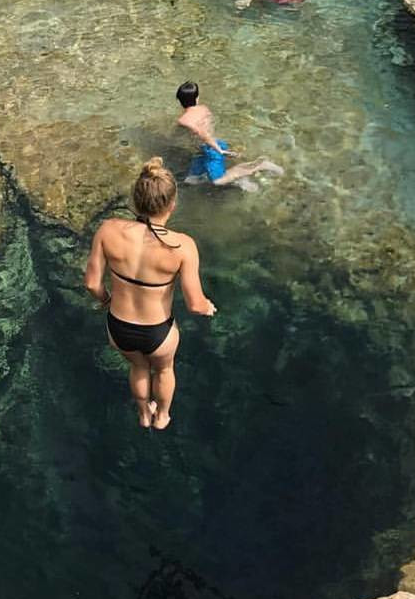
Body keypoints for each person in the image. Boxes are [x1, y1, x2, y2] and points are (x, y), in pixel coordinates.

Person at [83, 157, 216, 430]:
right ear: (172, 204)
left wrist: (106, 300)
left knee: (138, 366)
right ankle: (162, 416)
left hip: (118, 326)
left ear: (136, 201)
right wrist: (207, 307)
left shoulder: (108, 230)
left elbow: (92, 284)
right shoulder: (182, 246)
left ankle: (144, 413)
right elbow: (194, 304)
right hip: (158, 332)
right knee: (164, 370)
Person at [176, 81, 284, 189]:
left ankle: (261, 165)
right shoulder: (203, 108)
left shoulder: (184, 120)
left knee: (218, 181)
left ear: (180, 101)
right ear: (197, 98)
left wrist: (219, 150)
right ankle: (239, 180)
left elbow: (203, 135)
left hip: (212, 148)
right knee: (192, 179)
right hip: (207, 147)